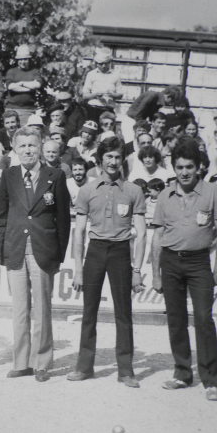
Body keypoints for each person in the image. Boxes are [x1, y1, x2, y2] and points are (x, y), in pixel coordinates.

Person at [0, 126, 71, 382]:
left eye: (32, 145)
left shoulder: (55, 176)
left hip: (43, 251)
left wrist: (58, 255)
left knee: (42, 309)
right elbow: (0, 216)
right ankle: (21, 361)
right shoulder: (10, 176)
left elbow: (63, 220)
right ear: (14, 149)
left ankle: (42, 363)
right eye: (22, 145)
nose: (28, 150)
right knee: (20, 309)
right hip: (15, 250)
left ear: (40, 148)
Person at [151, 138, 217, 401]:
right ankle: (182, 372)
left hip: (198, 263)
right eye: (180, 167)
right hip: (170, 262)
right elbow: (157, 235)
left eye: (190, 167)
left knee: (204, 319)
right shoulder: (164, 195)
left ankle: (212, 379)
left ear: (199, 168)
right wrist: (155, 273)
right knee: (176, 318)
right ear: (174, 167)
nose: (184, 172)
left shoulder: (213, 192)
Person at [66, 136, 146, 388]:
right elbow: (78, 231)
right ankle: (84, 366)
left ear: (123, 160)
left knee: (124, 313)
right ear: (100, 160)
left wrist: (137, 270)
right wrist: (78, 269)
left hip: (121, 252)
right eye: (108, 157)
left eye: (117, 157)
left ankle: (126, 370)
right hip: (96, 251)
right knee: (89, 311)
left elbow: (142, 233)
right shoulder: (87, 190)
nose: (113, 161)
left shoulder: (133, 191)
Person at [4, 45, 42, 124]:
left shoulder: (34, 71)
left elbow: (37, 85)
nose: (23, 62)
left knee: (25, 133)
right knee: (12, 132)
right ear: (17, 60)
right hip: (11, 108)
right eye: (20, 59)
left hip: (28, 109)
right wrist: (29, 88)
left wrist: (21, 83)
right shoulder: (11, 71)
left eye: (25, 59)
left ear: (29, 59)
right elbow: (10, 87)